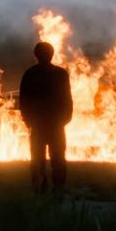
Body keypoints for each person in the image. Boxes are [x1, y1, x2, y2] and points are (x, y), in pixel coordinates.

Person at [19, 42, 73, 194]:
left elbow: (23, 101)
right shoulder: (60, 74)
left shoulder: (29, 74)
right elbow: (67, 99)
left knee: (38, 159)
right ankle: (59, 188)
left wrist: (28, 120)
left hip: (39, 124)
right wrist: (65, 118)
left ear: (35, 55)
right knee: (58, 159)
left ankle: (39, 188)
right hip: (55, 124)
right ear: (52, 54)